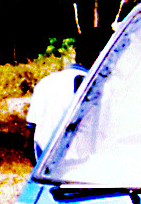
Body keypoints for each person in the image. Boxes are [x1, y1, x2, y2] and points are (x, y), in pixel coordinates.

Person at [28, 26, 112, 162]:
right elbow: (105, 137)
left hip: (44, 167)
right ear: (101, 56)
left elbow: (31, 138)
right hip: (79, 167)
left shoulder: (45, 83)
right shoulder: (97, 87)